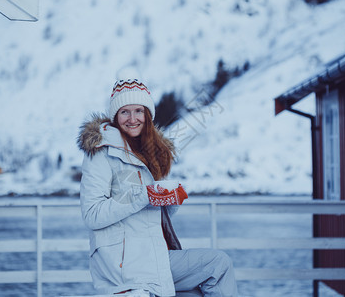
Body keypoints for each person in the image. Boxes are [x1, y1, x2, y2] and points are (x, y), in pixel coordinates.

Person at [77, 78, 238, 297]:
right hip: (124, 264)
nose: (132, 119)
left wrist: (169, 200)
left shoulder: (148, 152)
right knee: (217, 265)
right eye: (125, 112)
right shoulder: (101, 152)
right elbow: (92, 214)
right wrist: (143, 196)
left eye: (138, 111)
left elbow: (148, 215)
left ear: (148, 115)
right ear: (115, 116)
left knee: (212, 273)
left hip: (152, 254)